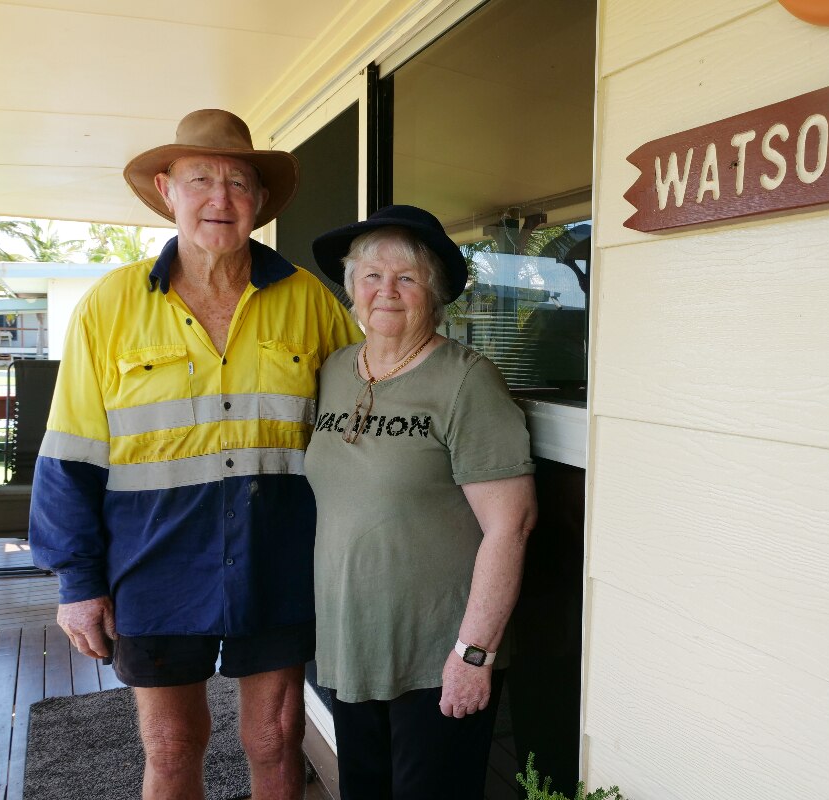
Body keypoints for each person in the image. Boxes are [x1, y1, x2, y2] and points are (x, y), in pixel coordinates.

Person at [29, 108, 362, 799]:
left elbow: (356, 433)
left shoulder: (311, 302)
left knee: (275, 739)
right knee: (174, 746)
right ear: (166, 189)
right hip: (151, 562)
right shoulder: (109, 304)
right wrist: (78, 582)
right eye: (201, 178)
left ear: (260, 201)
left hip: (278, 555)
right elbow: (70, 455)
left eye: (239, 183)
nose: (221, 199)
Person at [306, 205, 537, 799]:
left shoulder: (466, 380)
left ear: (432, 293)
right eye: (371, 276)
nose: (386, 291)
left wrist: (473, 654)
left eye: (406, 277)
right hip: (350, 647)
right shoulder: (334, 371)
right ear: (351, 289)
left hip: (438, 655)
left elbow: (510, 526)